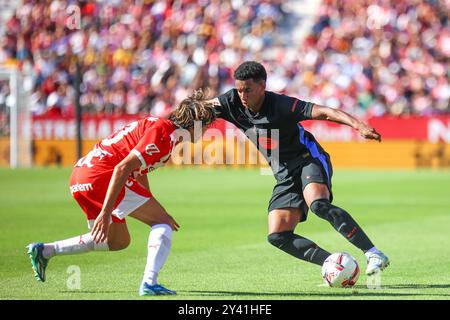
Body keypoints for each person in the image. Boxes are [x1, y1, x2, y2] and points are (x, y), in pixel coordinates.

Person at [205, 61, 389, 276]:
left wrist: (358, 125)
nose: (243, 96)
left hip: (308, 159)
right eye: (239, 89)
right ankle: (333, 265)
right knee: (278, 235)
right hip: (284, 173)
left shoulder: (281, 105)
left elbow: (324, 112)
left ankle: (373, 253)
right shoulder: (231, 101)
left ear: (263, 86)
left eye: (248, 90)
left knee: (318, 205)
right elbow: (199, 108)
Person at [26, 91, 217, 296]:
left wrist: (150, 203)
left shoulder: (161, 128)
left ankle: (46, 250)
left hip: (80, 177)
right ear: (196, 123)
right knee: (163, 222)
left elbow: (138, 170)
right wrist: (107, 212)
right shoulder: (164, 133)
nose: (206, 131)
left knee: (115, 241)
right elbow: (122, 168)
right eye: (206, 126)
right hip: (100, 176)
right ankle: (149, 283)